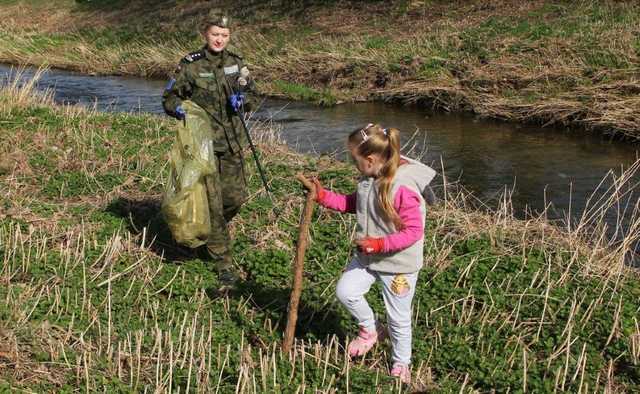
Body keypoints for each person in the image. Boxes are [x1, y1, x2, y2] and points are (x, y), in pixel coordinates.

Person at [311, 123, 435, 384]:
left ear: (369, 159)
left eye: (353, 159)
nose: (352, 164)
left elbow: (414, 231)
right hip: (368, 256)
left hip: (398, 264)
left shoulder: (402, 187)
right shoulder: (369, 178)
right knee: (346, 292)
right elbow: (353, 204)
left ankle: (402, 364)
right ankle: (370, 329)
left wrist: (379, 245)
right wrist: (323, 196)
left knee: (398, 319)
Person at [162, 14, 253, 293]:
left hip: (233, 142)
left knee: (236, 198)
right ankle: (224, 263)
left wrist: (244, 100)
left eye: (224, 35)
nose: (219, 39)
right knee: (213, 204)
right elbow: (169, 97)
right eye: (215, 34)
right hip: (204, 147)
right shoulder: (190, 65)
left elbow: (252, 93)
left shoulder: (237, 64)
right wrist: (178, 108)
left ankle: (206, 231)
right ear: (205, 34)